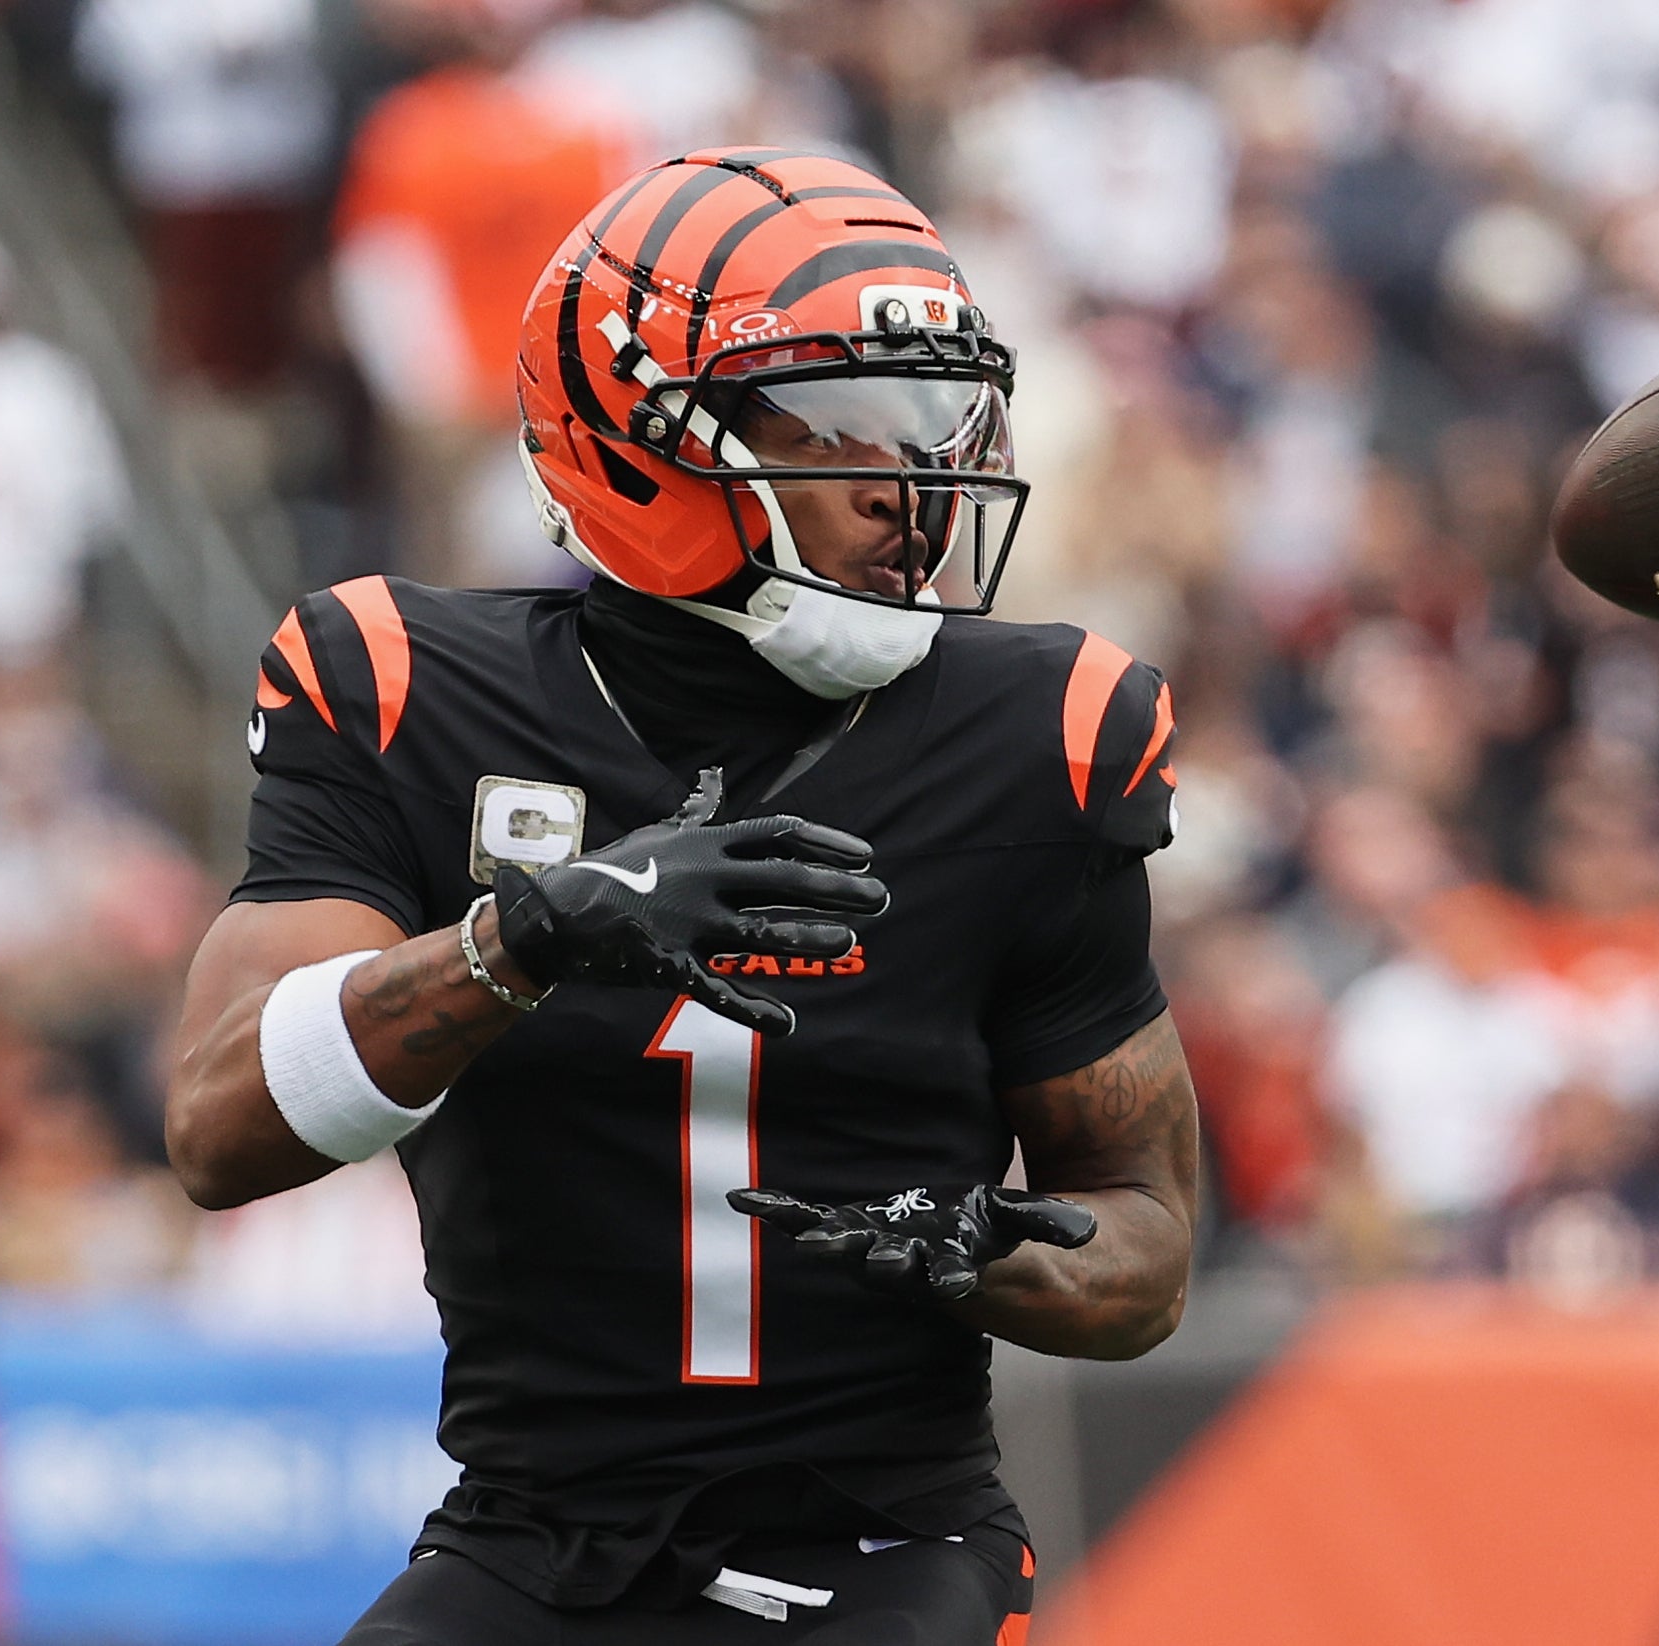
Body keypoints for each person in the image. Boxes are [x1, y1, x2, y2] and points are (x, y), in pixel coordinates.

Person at [165, 147, 1198, 1644]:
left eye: (937, 422)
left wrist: (985, 1246)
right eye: (851, 428)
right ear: (637, 440)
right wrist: (526, 936)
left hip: (886, 1535)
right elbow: (218, 1125)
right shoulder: (401, 689)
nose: (917, 492)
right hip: (527, 1536)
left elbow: (1147, 1249)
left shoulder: (1036, 740)